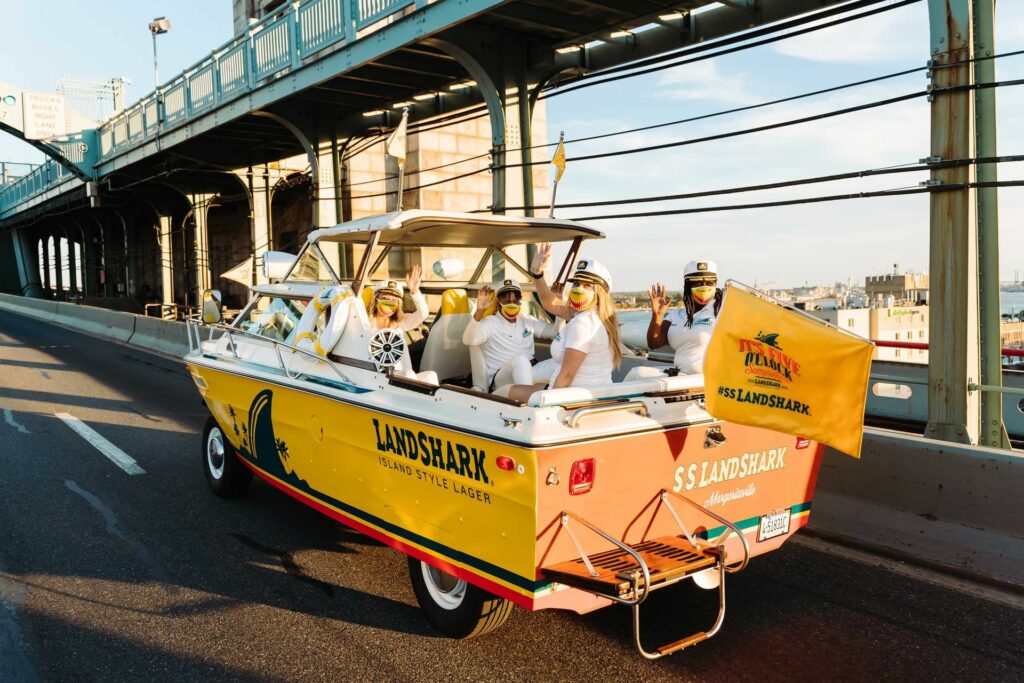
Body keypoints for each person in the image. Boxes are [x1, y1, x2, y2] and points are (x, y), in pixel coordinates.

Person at [507, 245, 621, 402]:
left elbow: (567, 376)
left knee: (503, 392)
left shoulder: (583, 323)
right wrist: (537, 273)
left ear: (599, 292)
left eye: (587, 285)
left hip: (571, 399)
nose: (579, 289)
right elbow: (550, 303)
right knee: (510, 390)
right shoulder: (595, 315)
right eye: (576, 284)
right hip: (586, 393)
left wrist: (548, 407)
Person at [625, 259, 723, 380]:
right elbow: (654, 343)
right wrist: (657, 315)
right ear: (688, 286)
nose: (704, 287)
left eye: (709, 283)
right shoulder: (677, 316)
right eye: (697, 283)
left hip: (706, 380)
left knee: (637, 375)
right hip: (680, 376)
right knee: (636, 373)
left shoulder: (721, 311)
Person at [462, 279, 561, 392]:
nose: (512, 304)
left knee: (562, 362)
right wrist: (479, 312)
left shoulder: (526, 320)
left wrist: (558, 304)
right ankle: (528, 399)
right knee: (521, 361)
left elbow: (555, 331)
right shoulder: (490, 322)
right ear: (498, 300)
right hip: (502, 378)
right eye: (507, 300)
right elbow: (468, 340)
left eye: (515, 300)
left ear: (520, 300)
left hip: (530, 370)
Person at [367, 265, 436, 382]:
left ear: (398, 304)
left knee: (431, 376)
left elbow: (423, 314)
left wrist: (414, 291)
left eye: (394, 300)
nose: (389, 303)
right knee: (408, 375)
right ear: (376, 299)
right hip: (378, 378)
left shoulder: (400, 322)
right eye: (385, 298)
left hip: (404, 376)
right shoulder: (365, 323)